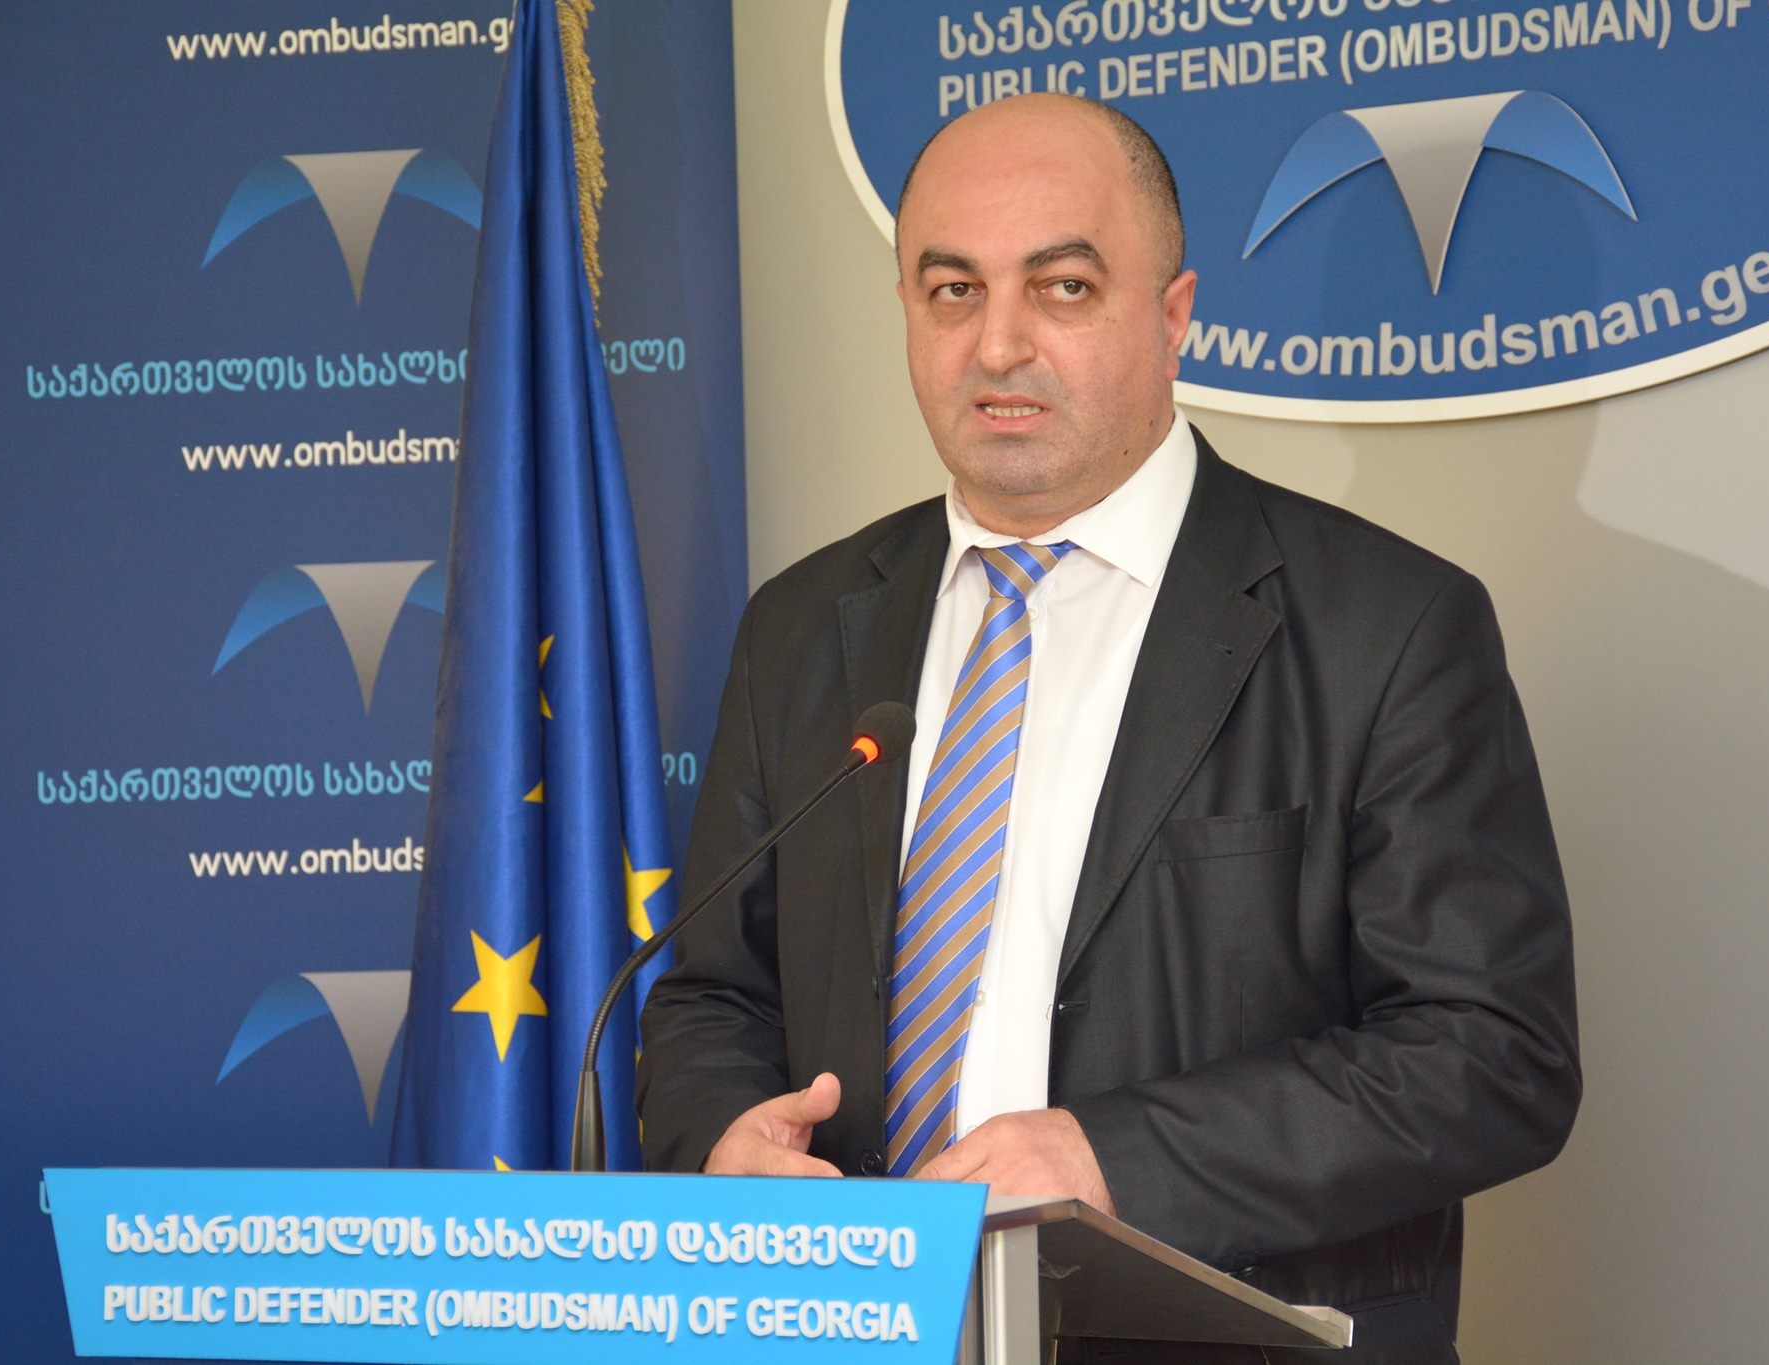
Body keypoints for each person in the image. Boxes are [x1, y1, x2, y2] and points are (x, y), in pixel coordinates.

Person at [636, 93, 1579, 1363]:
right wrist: (722, 1142)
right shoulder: (802, 627)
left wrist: (1108, 1158)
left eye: (1063, 288)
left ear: (1173, 315)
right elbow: (711, 999)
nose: (997, 345)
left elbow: (1491, 1054)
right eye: (952, 291)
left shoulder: (1388, 625)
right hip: (857, 1330)